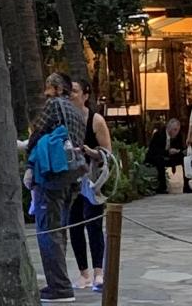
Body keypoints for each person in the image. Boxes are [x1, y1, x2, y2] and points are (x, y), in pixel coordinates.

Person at [27, 73, 86, 304]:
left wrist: (29, 158)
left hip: (53, 175)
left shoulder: (54, 105)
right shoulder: (76, 111)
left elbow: (37, 133)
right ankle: (60, 283)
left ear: (57, 88)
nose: (46, 91)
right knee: (60, 230)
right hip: (72, 175)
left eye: (49, 86)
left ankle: (59, 286)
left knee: (48, 231)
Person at [68, 78, 111, 290]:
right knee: (74, 224)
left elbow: (107, 153)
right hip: (71, 179)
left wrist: (90, 152)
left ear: (85, 95)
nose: (71, 94)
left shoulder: (96, 120)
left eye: (75, 91)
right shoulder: (65, 119)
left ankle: (98, 272)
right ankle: (83, 273)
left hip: (91, 179)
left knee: (93, 224)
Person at [146, 117, 192, 194]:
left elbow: (180, 147)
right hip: (157, 157)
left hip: (170, 157)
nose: (176, 132)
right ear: (168, 128)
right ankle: (162, 187)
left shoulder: (178, 135)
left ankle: (186, 186)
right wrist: (167, 152)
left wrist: (181, 151)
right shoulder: (158, 134)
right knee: (159, 159)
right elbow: (153, 150)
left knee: (185, 159)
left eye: (178, 130)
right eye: (175, 130)